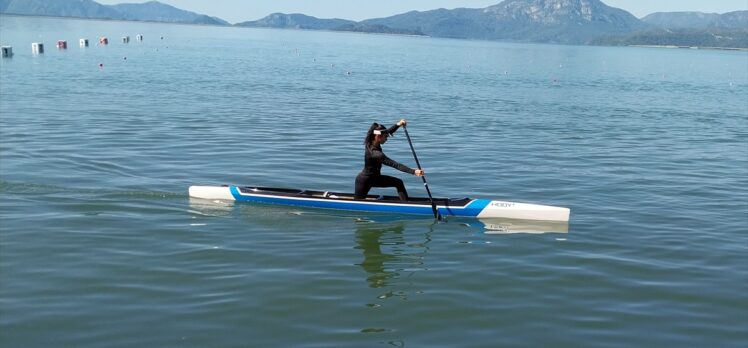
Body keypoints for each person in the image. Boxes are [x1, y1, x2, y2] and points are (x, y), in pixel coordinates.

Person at [355, 119, 424, 201]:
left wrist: (398, 124)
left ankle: (405, 204)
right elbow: (396, 165)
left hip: (376, 178)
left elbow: (388, 131)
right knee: (358, 202)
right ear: (378, 137)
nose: (387, 139)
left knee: (398, 182)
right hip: (364, 181)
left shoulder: (371, 141)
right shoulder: (376, 154)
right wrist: (413, 171)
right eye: (386, 137)